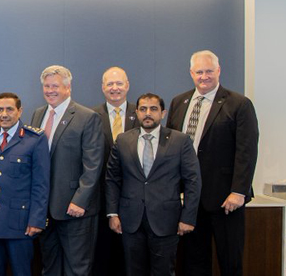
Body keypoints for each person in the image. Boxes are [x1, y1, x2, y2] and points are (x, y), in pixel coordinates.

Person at [167, 50, 259, 276]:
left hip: (226, 199)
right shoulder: (179, 102)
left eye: (209, 71)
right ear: (191, 73)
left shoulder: (239, 104)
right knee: (194, 262)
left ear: (219, 71)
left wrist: (239, 191)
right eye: (199, 72)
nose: (204, 76)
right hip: (190, 200)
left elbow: (246, 151)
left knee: (230, 261)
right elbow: (170, 148)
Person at [106, 93, 201, 276]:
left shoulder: (180, 141)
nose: (147, 113)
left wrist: (188, 217)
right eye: (143, 109)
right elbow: (112, 179)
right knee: (133, 271)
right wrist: (112, 213)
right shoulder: (123, 140)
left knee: (164, 271)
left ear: (163, 113)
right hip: (130, 220)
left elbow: (193, 181)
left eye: (153, 109)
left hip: (167, 220)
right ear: (137, 112)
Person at [30, 65, 104, 276]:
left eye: (55, 85)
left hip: (75, 209)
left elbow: (93, 164)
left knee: (76, 268)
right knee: (49, 266)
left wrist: (80, 200)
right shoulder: (38, 114)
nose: (50, 90)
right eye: (46, 86)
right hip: (45, 210)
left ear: (68, 87)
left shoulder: (86, 117)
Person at [0, 92, 49, 276]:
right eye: (0, 109)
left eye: (9, 109)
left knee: (22, 272)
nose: (4, 114)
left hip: (20, 223)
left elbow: (41, 184)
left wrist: (36, 220)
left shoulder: (35, 139)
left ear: (20, 111)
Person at [91, 67, 139, 276]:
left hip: (135, 199)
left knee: (131, 261)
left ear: (127, 85)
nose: (115, 88)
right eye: (110, 84)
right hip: (101, 201)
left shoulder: (142, 114)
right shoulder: (91, 116)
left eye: (119, 83)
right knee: (102, 258)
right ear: (103, 88)